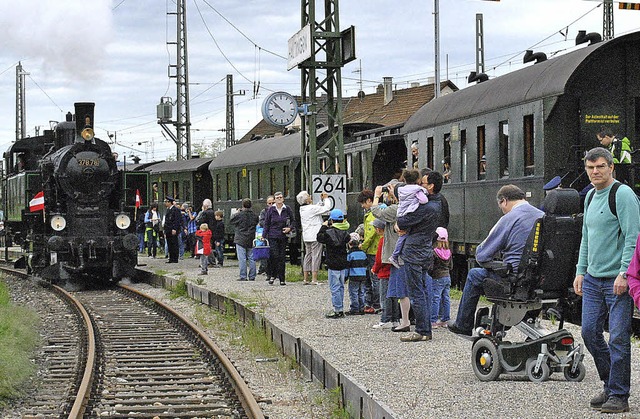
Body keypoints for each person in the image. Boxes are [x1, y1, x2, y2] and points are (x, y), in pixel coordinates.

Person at [573, 147, 640, 414]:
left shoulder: (622, 195)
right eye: (590, 168)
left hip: (616, 280)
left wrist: (625, 273)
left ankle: (619, 396)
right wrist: (580, 270)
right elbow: (586, 237)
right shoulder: (590, 196)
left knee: (619, 338)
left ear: (611, 167)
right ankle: (610, 383)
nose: (595, 172)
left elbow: (634, 237)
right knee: (589, 332)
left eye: (600, 166)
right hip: (592, 278)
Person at [447, 185, 544, 337]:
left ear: (504, 201)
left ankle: (463, 324)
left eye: (501, 206)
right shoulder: (542, 216)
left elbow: (482, 255)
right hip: (540, 280)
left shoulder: (509, 218)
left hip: (516, 280)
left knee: (474, 275)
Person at [395, 180, 442, 342]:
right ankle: (425, 329)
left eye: (424, 183)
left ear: (432, 186)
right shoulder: (437, 206)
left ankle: (422, 331)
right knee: (422, 291)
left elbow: (402, 222)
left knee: (416, 292)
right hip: (425, 251)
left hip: (414, 252)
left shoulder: (426, 208)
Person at [372, 184, 408, 332]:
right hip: (406, 253)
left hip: (396, 255)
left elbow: (375, 211)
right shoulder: (407, 207)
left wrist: (376, 195)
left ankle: (393, 319)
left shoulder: (395, 210)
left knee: (397, 291)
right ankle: (398, 319)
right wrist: (395, 196)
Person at [388, 169, 428, 269]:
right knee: (404, 236)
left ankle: (396, 255)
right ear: (418, 179)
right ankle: (395, 255)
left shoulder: (402, 189)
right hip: (409, 213)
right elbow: (424, 200)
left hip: (401, 213)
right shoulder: (417, 190)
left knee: (402, 235)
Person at [316, 209, 351, 318]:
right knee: (341, 287)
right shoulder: (346, 233)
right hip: (343, 263)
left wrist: (324, 226)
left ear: (331, 220)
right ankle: (340, 307)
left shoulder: (328, 233)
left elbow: (318, 237)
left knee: (334, 287)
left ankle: (338, 310)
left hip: (332, 263)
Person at [297, 190, 331, 285]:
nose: (310, 196)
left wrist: (320, 201)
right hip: (315, 235)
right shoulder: (311, 209)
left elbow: (316, 208)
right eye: (308, 196)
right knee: (316, 256)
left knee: (308, 256)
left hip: (307, 235)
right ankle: (314, 279)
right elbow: (327, 208)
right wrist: (326, 199)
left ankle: (305, 278)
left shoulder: (302, 209)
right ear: (307, 200)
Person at [263, 191, 296, 285]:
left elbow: (293, 221)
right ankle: (272, 275)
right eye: (277, 198)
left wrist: (289, 228)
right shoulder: (271, 210)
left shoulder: (287, 209)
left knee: (282, 257)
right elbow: (266, 223)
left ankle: (282, 278)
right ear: (275, 200)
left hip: (283, 236)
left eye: (281, 197)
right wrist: (263, 236)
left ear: (283, 199)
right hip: (273, 235)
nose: (279, 199)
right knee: (274, 255)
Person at [357, 189, 381, 314]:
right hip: (374, 249)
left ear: (369, 201)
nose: (362, 206)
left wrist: (363, 246)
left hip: (373, 250)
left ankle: (376, 304)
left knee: (374, 278)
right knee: (372, 278)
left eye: (363, 203)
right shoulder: (372, 213)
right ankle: (371, 303)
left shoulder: (372, 215)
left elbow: (371, 234)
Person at [371, 217, 396, 329]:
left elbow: (379, 259)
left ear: (378, 229)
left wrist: (374, 269)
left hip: (384, 273)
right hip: (393, 272)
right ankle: (395, 319)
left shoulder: (383, 240)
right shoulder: (392, 239)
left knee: (384, 297)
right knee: (394, 297)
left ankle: (385, 319)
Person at [230, 198, 260, 281]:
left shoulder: (239, 215)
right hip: (251, 237)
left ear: (242, 205)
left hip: (240, 238)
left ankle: (243, 276)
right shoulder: (255, 215)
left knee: (242, 258)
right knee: (251, 258)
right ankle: (252, 276)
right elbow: (256, 222)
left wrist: (238, 211)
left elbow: (231, 220)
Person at [430, 227, 452, 328]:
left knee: (436, 298)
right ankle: (445, 319)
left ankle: (433, 320)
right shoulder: (449, 252)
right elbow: (451, 266)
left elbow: (431, 267)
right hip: (447, 277)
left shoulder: (434, 252)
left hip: (437, 277)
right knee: (446, 298)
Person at [345, 233, 367, 316]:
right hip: (363, 275)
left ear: (349, 244)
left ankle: (354, 308)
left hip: (354, 276)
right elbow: (366, 264)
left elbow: (347, 267)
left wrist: (345, 277)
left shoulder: (350, 254)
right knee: (361, 292)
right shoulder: (363, 254)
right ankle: (362, 308)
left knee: (353, 292)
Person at [257, 195, 275, 275]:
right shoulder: (264, 212)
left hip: (276, 235)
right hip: (267, 235)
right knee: (266, 253)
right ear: (267, 204)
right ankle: (266, 270)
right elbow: (261, 222)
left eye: (273, 203)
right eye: (269, 203)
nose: (271, 204)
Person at [163, 196, 182, 263]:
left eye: (166, 202)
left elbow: (177, 220)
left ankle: (175, 258)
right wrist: (165, 231)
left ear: (169, 202)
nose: (165, 203)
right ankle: (171, 258)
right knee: (169, 244)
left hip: (172, 230)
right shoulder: (168, 210)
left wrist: (175, 228)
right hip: (168, 229)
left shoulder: (175, 210)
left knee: (174, 243)